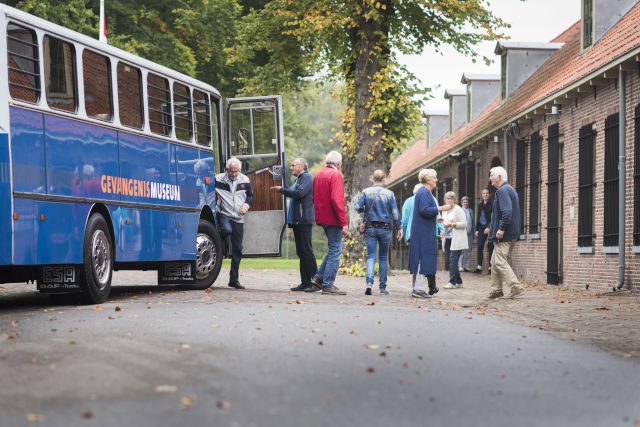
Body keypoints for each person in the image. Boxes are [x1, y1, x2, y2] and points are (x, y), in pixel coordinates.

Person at [271, 158, 317, 291]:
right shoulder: (298, 179)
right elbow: (295, 193)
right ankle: (305, 282)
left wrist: (282, 190)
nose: (291, 167)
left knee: (307, 251)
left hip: (303, 220)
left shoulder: (307, 177)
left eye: (293, 165)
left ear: (302, 166)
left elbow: (299, 193)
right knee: (301, 252)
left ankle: (316, 282)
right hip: (297, 220)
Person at [355, 170, 402, 295]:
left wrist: (365, 208)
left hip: (370, 227)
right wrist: (399, 227)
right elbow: (395, 213)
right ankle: (382, 287)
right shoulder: (390, 194)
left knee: (371, 256)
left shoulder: (366, 192)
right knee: (382, 257)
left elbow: (357, 207)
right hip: (386, 228)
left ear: (372, 179)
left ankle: (369, 284)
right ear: (384, 179)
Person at [307, 150, 348, 295]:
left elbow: (314, 198)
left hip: (322, 218)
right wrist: (343, 222)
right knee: (336, 250)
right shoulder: (335, 175)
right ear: (338, 163)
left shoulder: (318, 175)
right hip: (333, 219)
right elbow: (337, 200)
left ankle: (318, 278)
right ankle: (328, 284)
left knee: (333, 249)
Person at [215, 157, 253, 289]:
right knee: (226, 230)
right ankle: (218, 241)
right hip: (224, 213)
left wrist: (246, 206)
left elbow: (250, 196)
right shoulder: (218, 179)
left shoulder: (245, 180)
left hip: (239, 217)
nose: (234, 174)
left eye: (236, 171)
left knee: (238, 249)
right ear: (227, 170)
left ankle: (234, 279)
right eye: (231, 171)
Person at [487, 166, 525, 299]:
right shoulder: (510, 189)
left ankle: (515, 286)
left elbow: (507, 211)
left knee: (499, 261)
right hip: (511, 233)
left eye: (491, 175)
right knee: (494, 261)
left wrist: (501, 228)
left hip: (505, 234)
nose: (489, 178)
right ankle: (497, 290)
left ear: (499, 177)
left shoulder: (503, 191)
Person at [402, 183, 444, 291]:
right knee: (426, 258)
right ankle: (423, 287)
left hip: (413, 232)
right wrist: (442, 229)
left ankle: (422, 286)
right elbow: (437, 215)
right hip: (427, 232)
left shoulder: (408, 201)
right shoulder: (432, 198)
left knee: (420, 259)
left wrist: (405, 233)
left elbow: (405, 219)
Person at [408, 169, 441, 299]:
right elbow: (424, 210)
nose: (436, 180)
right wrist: (439, 209)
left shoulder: (422, 192)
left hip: (422, 230)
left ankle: (425, 287)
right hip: (424, 233)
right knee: (422, 259)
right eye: (435, 178)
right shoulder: (425, 193)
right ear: (428, 180)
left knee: (423, 258)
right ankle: (417, 288)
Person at [441, 192, 467, 289]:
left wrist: (452, 224)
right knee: (450, 260)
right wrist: (442, 230)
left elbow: (464, 224)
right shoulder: (444, 210)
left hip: (457, 239)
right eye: (447, 198)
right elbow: (443, 223)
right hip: (447, 239)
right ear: (445, 199)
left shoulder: (458, 209)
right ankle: (459, 281)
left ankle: (452, 282)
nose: (449, 200)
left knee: (453, 260)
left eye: (451, 198)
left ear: (455, 200)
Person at [473, 188, 494, 274]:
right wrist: (477, 229)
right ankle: (479, 267)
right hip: (481, 228)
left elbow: (493, 217)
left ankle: (490, 267)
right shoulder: (480, 205)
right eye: (483, 193)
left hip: (489, 227)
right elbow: (478, 217)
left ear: (489, 194)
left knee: (490, 246)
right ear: (482, 195)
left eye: (486, 193)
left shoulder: (492, 204)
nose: (485, 195)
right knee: (480, 246)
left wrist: (489, 227)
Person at [458, 196, 475, 272]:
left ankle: (467, 266)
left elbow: (472, 221)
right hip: (462, 232)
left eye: (467, 202)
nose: (465, 203)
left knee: (468, 250)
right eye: (464, 202)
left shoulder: (471, 211)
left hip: (470, 232)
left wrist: (473, 232)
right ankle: (460, 266)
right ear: (461, 203)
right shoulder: (459, 210)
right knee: (462, 250)